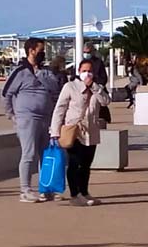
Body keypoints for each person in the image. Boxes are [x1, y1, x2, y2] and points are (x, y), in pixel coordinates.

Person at [2, 38, 60, 203]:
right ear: (32, 50)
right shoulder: (20, 72)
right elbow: (6, 94)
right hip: (27, 118)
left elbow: (55, 89)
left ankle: (46, 189)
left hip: (46, 117)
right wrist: (12, 115)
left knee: (46, 154)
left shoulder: (46, 72)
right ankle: (25, 190)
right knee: (29, 154)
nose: (43, 53)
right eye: (41, 50)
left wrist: (42, 76)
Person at [50, 59, 111, 207]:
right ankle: (74, 194)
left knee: (86, 164)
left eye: (90, 71)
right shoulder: (70, 87)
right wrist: (54, 131)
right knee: (75, 162)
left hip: (91, 131)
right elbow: (60, 109)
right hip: (74, 130)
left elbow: (106, 101)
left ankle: (84, 192)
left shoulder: (97, 88)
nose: (87, 74)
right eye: (84, 71)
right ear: (78, 71)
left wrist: (94, 87)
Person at [83, 42, 111, 123]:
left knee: (101, 104)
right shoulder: (82, 62)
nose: (86, 54)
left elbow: (103, 76)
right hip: (86, 88)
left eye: (88, 52)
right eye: (84, 52)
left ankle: (104, 119)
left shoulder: (98, 62)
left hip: (96, 87)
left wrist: (100, 86)